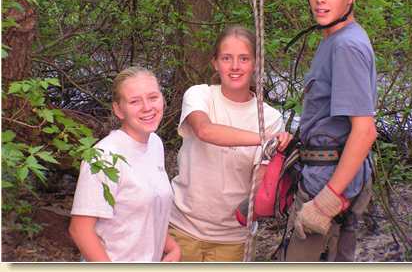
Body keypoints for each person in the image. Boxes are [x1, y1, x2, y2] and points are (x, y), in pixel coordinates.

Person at [281, 0, 378, 262]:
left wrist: (328, 199)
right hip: (321, 172)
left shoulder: (346, 46)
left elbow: (364, 132)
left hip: (329, 182)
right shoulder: (335, 40)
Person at [169, 26, 293, 262]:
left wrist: (280, 157)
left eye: (244, 59)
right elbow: (205, 130)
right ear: (215, 63)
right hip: (181, 228)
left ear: (255, 64)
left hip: (234, 238)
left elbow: (260, 184)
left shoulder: (270, 118)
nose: (235, 67)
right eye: (227, 58)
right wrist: (264, 140)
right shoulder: (199, 95)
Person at [69, 66, 181, 262]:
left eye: (153, 97)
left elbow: (145, 212)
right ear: (118, 109)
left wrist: (172, 248)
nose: (147, 107)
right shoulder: (103, 156)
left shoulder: (155, 143)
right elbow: (80, 230)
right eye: (135, 101)